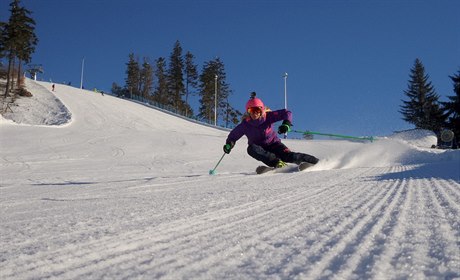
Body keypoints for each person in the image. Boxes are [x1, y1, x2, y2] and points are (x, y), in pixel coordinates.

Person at [223, 92, 319, 168]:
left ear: (261, 111)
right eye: (251, 111)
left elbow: (287, 112)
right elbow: (233, 136)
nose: (255, 113)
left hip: (275, 145)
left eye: (257, 111)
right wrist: (229, 144)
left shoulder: (268, 117)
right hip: (260, 149)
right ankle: (277, 163)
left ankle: (316, 162)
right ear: (248, 111)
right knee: (251, 149)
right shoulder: (245, 124)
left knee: (289, 157)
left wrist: (286, 124)